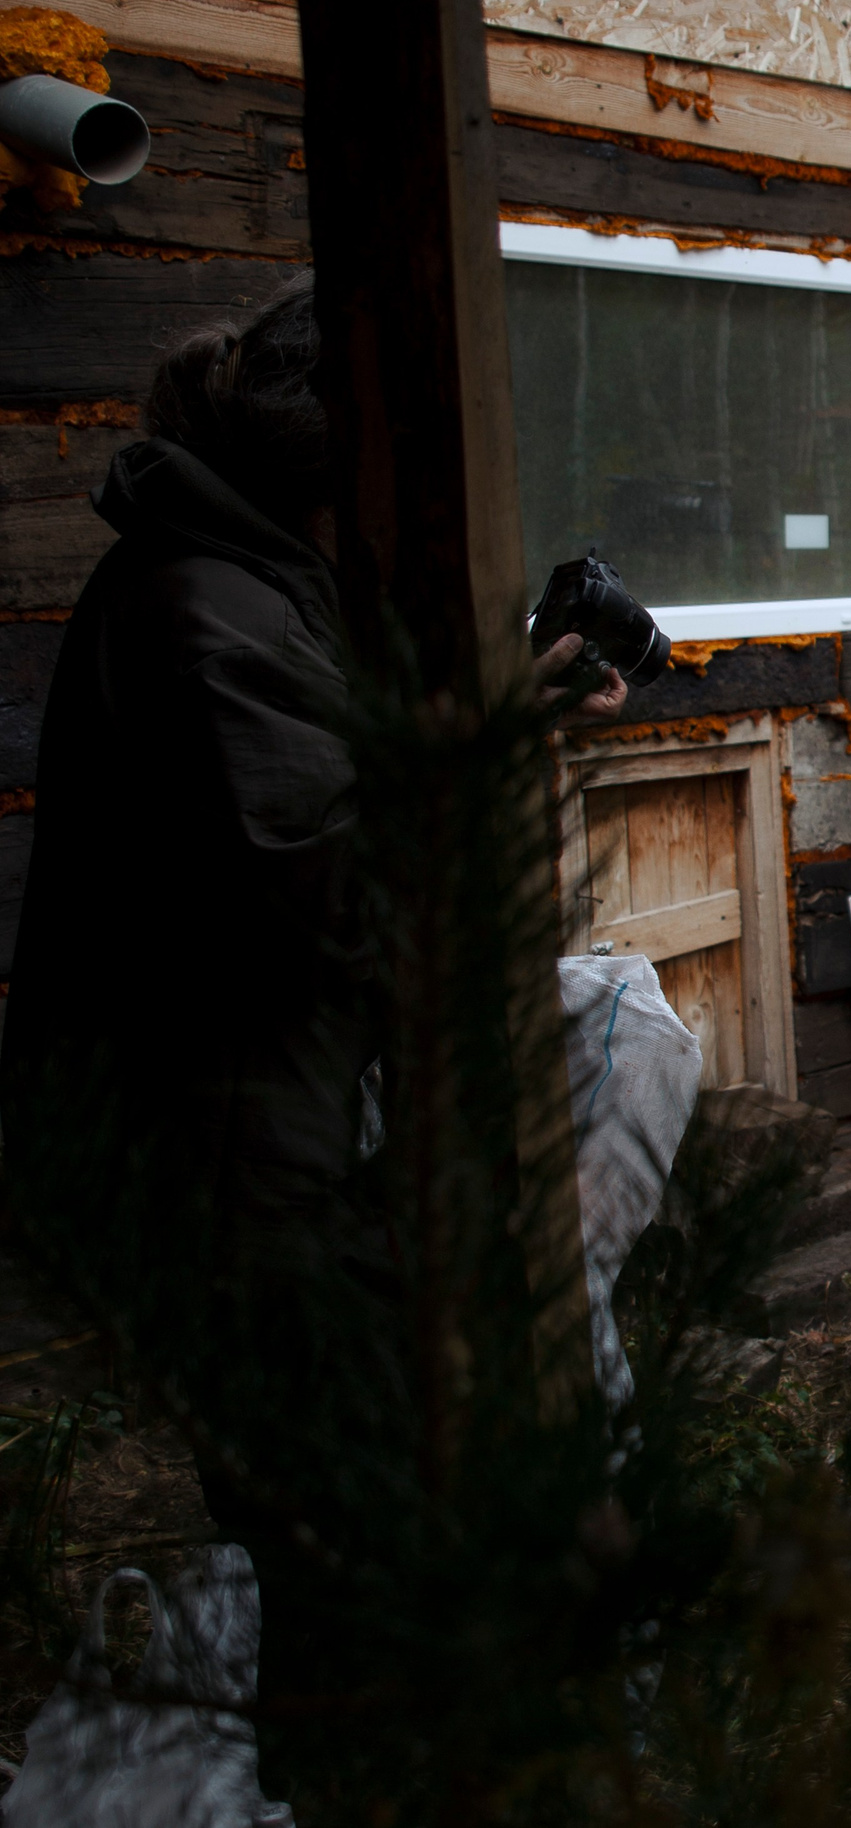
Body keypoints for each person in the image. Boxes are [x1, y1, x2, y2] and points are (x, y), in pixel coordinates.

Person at [0, 274, 625, 1799]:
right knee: (347, 1533)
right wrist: (501, 736)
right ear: (351, 467)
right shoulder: (206, 611)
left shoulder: (256, 582)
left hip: (258, 1133)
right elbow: (343, 895)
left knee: (353, 1521)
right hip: (221, 1165)